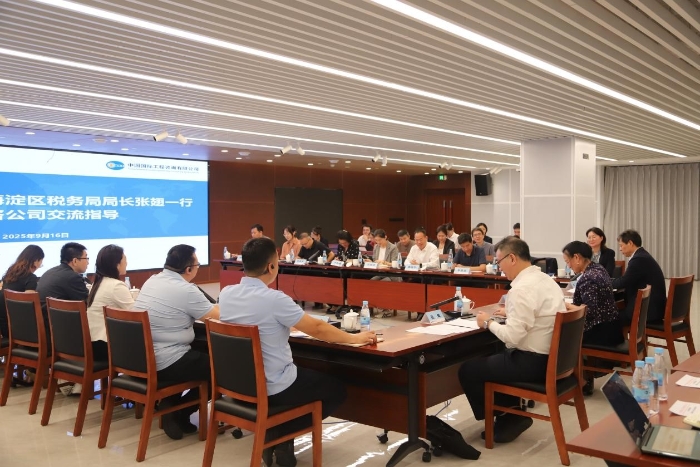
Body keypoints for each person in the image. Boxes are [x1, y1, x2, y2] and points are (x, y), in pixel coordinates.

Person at [219, 238, 376, 467]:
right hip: (274, 388)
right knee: (336, 390)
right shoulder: (275, 299)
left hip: (237, 385)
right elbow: (317, 328)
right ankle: (279, 433)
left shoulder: (226, 294)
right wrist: (354, 338)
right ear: (271, 266)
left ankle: (279, 435)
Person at [458, 237, 564, 443]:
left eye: (499, 262)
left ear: (512, 258)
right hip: (555, 359)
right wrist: (511, 314)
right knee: (496, 355)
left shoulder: (521, 289)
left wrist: (488, 322)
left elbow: (513, 338)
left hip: (533, 362)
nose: (498, 268)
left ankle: (508, 417)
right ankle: (512, 413)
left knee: (468, 370)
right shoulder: (546, 280)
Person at [134, 244, 220, 440]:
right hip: (166, 360)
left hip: (141, 358)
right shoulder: (186, 290)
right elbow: (216, 317)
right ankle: (178, 410)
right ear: (188, 269)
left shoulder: (152, 280)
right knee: (221, 368)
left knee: (200, 355)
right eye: (197, 265)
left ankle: (171, 404)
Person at [562, 241, 623, 395]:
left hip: (602, 333)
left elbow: (588, 311)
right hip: (613, 327)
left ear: (577, 258)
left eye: (568, 261)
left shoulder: (588, 278)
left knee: (564, 335)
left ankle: (579, 381)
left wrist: (567, 306)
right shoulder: (599, 268)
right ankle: (583, 379)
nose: (568, 266)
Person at [85, 245, 134, 362]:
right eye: (125, 259)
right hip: (106, 348)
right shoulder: (116, 286)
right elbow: (136, 314)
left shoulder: (97, 283)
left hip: (93, 344)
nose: (127, 263)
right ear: (117, 264)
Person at [611, 230, 666, 324]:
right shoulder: (642, 255)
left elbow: (623, 282)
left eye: (621, 245)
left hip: (647, 312)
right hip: (652, 308)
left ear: (630, 243)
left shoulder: (639, 259)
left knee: (607, 319)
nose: (620, 249)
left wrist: (604, 282)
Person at [37, 242, 90, 338]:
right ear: (75, 261)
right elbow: (87, 305)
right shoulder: (72, 277)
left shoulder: (50, 272)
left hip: (44, 329)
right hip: (60, 333)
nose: (88, 262)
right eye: (86, 258)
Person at [0, 245, 44, 339]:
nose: (40, 265)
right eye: (41, 261)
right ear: (35, 261)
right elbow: (29, 307)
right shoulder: (31, 278)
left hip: (4, 328)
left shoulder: (10, 273)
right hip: (19, 331)